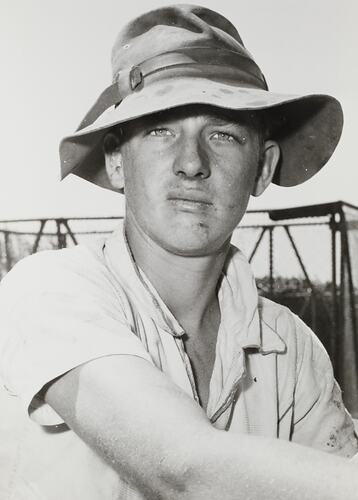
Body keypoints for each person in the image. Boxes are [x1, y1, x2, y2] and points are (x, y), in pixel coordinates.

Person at [0, 4, 357, 500]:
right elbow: (181, 470)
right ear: (117, 162)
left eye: (224, 134)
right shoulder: (49, 292)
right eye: (161, 130)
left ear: (261, 169)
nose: (192, 163)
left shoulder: (290, 347)